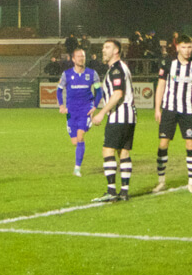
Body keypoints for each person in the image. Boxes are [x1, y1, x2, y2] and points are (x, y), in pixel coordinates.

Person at [152, 35, 192, 194]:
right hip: (169, 109)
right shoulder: (168, 63)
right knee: (163, 144)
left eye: (190, 47)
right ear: (177, 47)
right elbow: (161, 86)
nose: (187, 50)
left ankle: (191, 181)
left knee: (190, 144)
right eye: (184, 47)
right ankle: (161, 181)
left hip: (188, 111)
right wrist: (157, 108)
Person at [90, 39, 136, 202]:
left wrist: (102, 113)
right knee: (123, 152)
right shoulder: (122, 68)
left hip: (119, 116)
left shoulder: (116, 69)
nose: (104, 50)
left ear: (116, 51)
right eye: (103, 47)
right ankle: (124, 192)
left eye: (107, 47)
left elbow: (117, 94)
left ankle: (111, 190)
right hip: (129, 116)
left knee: (107, 150)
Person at [57, 47, 100, 177]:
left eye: (83, 56)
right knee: (75, 142)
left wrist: (95, 106)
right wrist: (61, 105)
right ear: (73, 59)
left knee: (81, 137)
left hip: (85, 110)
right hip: (71, 112)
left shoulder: (92, 74)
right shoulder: (66, 74)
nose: (82, 58)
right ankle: (86, 126)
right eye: (79, 56)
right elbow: (59, 90)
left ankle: (77, 169)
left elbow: (99, 91)